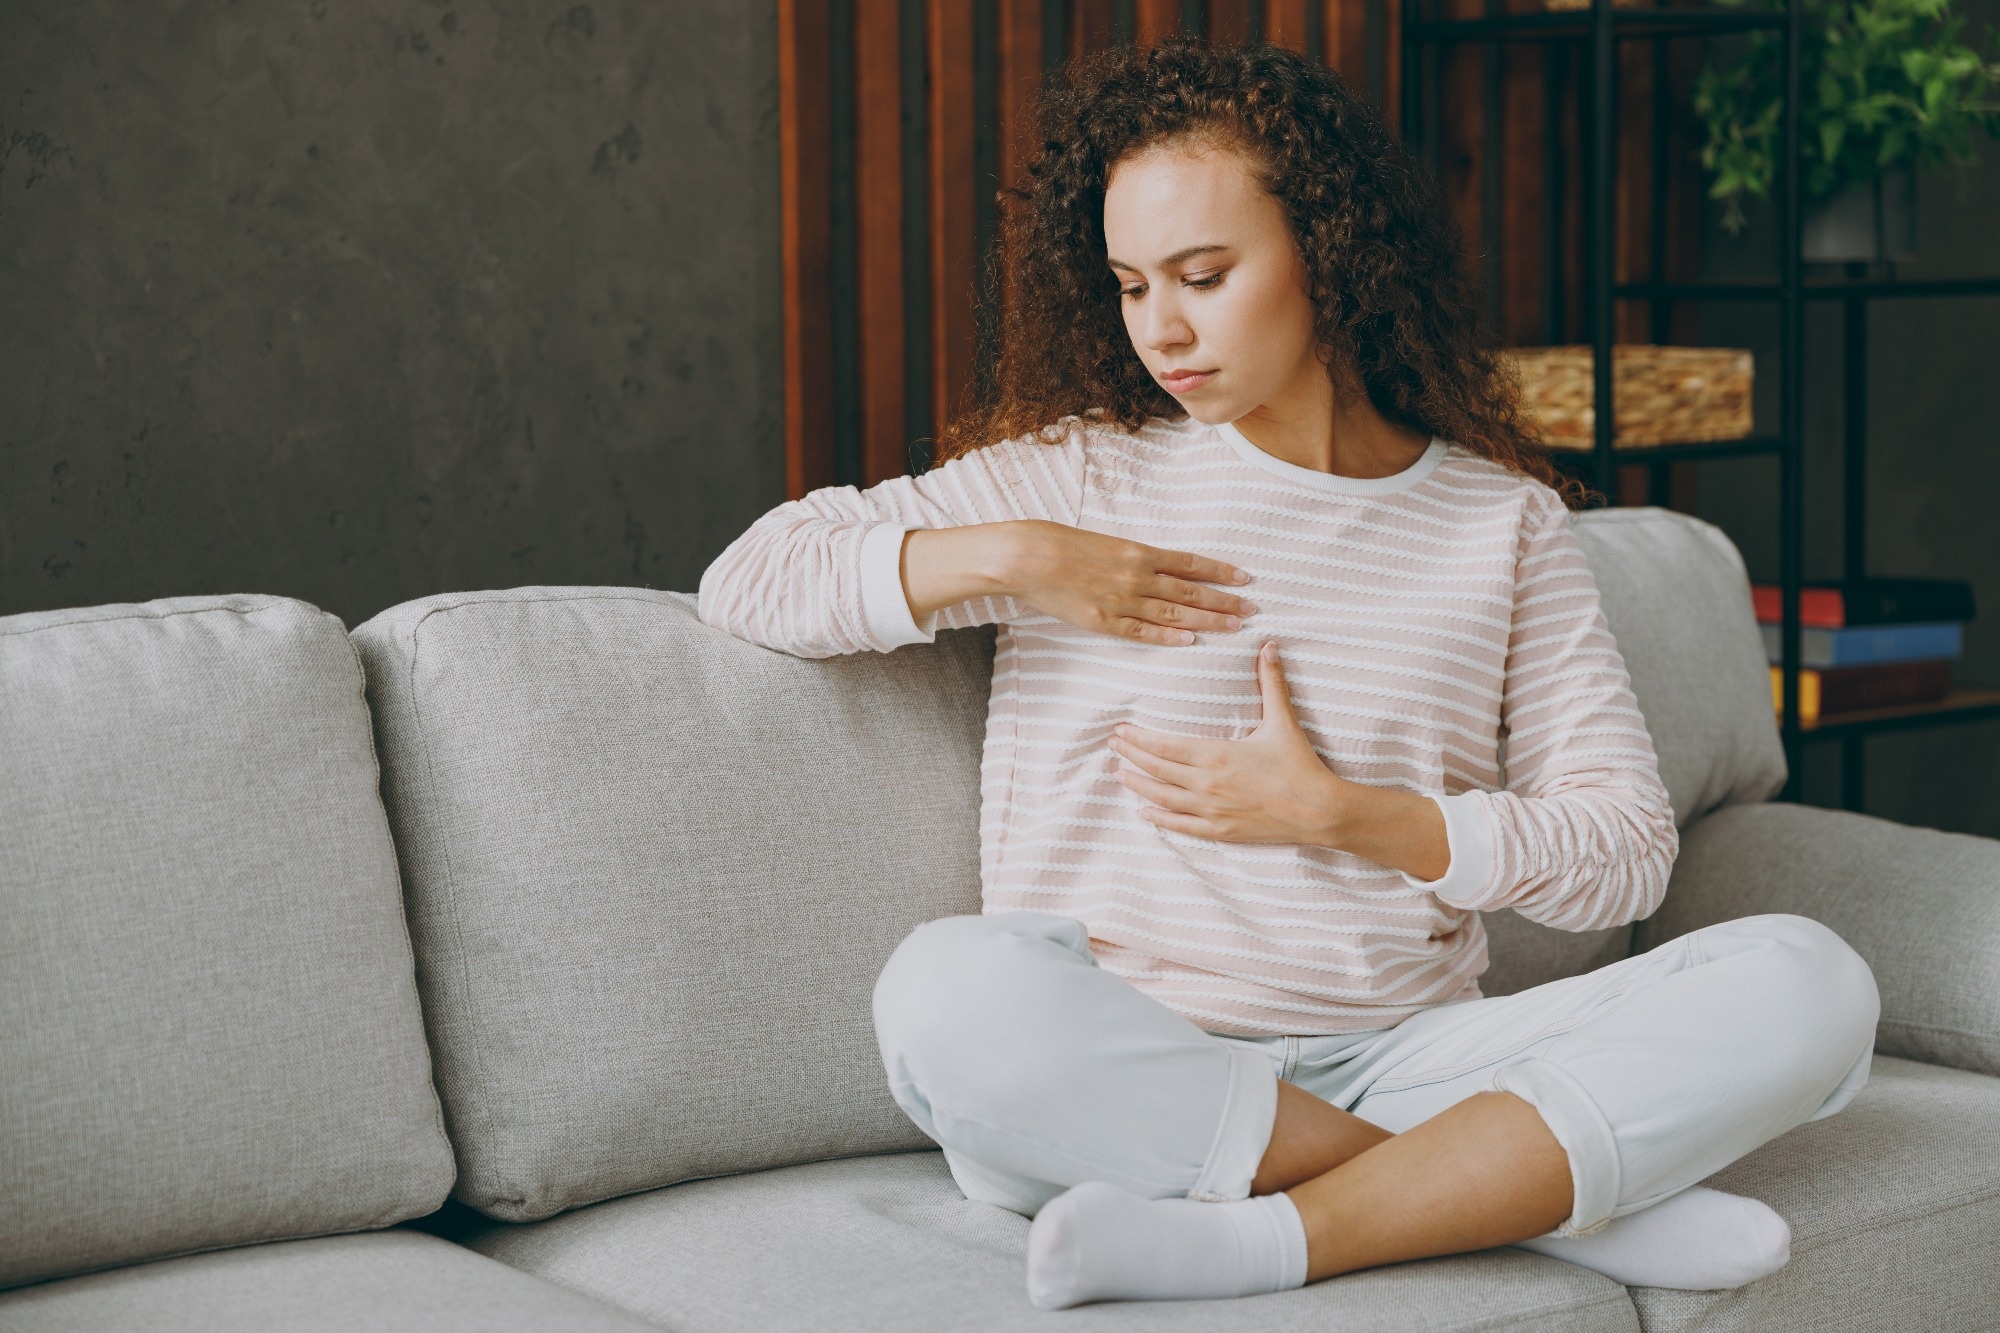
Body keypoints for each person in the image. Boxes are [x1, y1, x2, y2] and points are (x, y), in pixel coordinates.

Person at [697, 38, 1879, 1312]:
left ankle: (1288, 1228)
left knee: (1809, 981)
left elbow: (1622, 852)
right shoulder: (1085, 478)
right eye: (1130, 283)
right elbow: (755, 577)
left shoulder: (1503, 525)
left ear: (1325, 249)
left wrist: (1344, 815)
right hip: (1134, 1060)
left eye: (1203, 276)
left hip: (1411, 1052)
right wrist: (1027, 556)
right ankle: (1519, 1203)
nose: (1159, 327)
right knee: (943, 993)